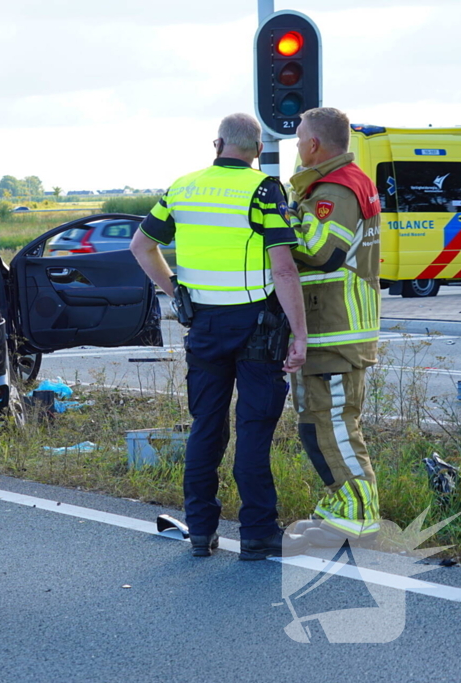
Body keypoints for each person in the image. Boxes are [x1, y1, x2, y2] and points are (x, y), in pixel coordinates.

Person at [130, 113, 307, 561]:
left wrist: (177, 294)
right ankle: (257, 536)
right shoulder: (264, 188)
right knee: (252, 429)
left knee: (206, 428)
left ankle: (201, 532)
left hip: (204, 326)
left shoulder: (182, 188)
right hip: (257, 327)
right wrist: (300, 333)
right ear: (258, 148)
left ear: (218, 143)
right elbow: (284, 268)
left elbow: (141, 246)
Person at [286, 107, 382, 546]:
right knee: (318, 424)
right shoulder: (336, 183)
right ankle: (340, 508)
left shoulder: (337, 189)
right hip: (328, 326)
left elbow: (323, 252)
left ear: (315, 144)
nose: (297, 146)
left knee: (336, 425)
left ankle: (360, 515)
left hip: (336, 328)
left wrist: (281, 220)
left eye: (300, 138)